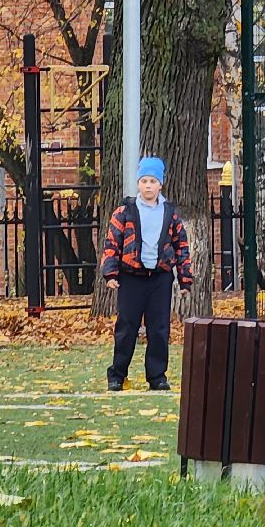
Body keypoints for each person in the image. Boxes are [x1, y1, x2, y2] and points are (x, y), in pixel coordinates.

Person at [101, 156, 193, 391]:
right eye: (144, 181)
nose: (148, 186)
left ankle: (157, 376)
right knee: (126, 327)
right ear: (138, 184)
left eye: (153, 181)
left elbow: (181, 246)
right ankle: (117, 375)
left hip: (160, 278)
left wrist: (185, 279)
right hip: (131, 277)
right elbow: (112, 243)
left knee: (159, 328)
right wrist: (110, 274)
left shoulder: (170, 213)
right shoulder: (125, 211)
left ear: (160, 184)